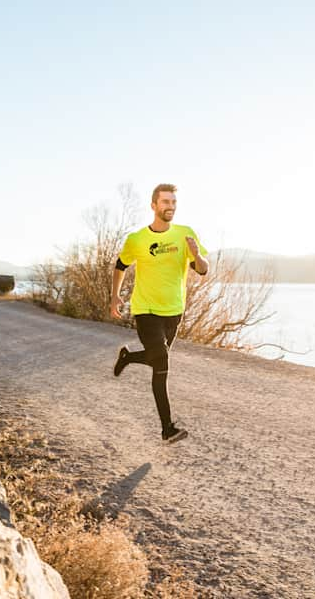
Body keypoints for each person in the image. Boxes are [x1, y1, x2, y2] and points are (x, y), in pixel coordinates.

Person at [110, 183, 209, 443]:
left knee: (157, 359)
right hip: (146, 310)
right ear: (153, 205)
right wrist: (115, 295)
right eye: (165, 202)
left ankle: (128, 358)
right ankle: (168, 428)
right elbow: (120, 266)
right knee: (162, 362)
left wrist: (197, 255)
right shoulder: (137, 239)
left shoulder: (185, 235)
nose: (170, 206)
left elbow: (202, 269)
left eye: (174, 202)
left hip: (174, 311)